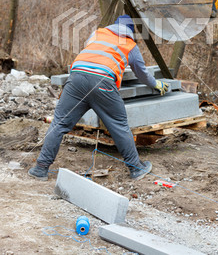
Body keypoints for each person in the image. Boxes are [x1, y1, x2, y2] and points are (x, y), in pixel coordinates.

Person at [28, 14, 169, 181]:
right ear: (131, 32)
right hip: (103, 83)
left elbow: (92, 52)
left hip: (76, 78)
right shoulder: (130, 45)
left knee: (59, 123)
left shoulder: (97, 34)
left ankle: (41, 168)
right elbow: (142, 74)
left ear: (114, 25)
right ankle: (136, 168)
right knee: (119, 125)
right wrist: (155, 84)